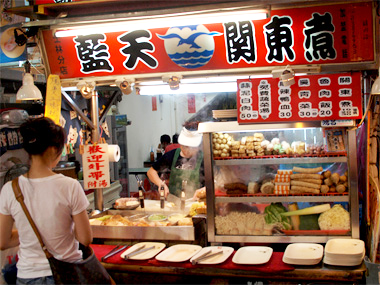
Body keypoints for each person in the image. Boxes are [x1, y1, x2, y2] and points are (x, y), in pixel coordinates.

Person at [0, 117, 92, 285]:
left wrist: (34, 233)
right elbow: (85, 238)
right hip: (66, 274)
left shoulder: (10, 189)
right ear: (52, 149)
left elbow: (3, 241)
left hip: (27, 277)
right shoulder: (69, 186)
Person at [147, 127, 205, 199]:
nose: (187, 151)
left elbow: (217, 182)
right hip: (173, 203)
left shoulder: (204, 158)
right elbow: (151, 172)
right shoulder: (172, 155)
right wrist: (160, 184)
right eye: (184, 147)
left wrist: (204, 190)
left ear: (197, 147)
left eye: (191, 148)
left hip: (197, 203)